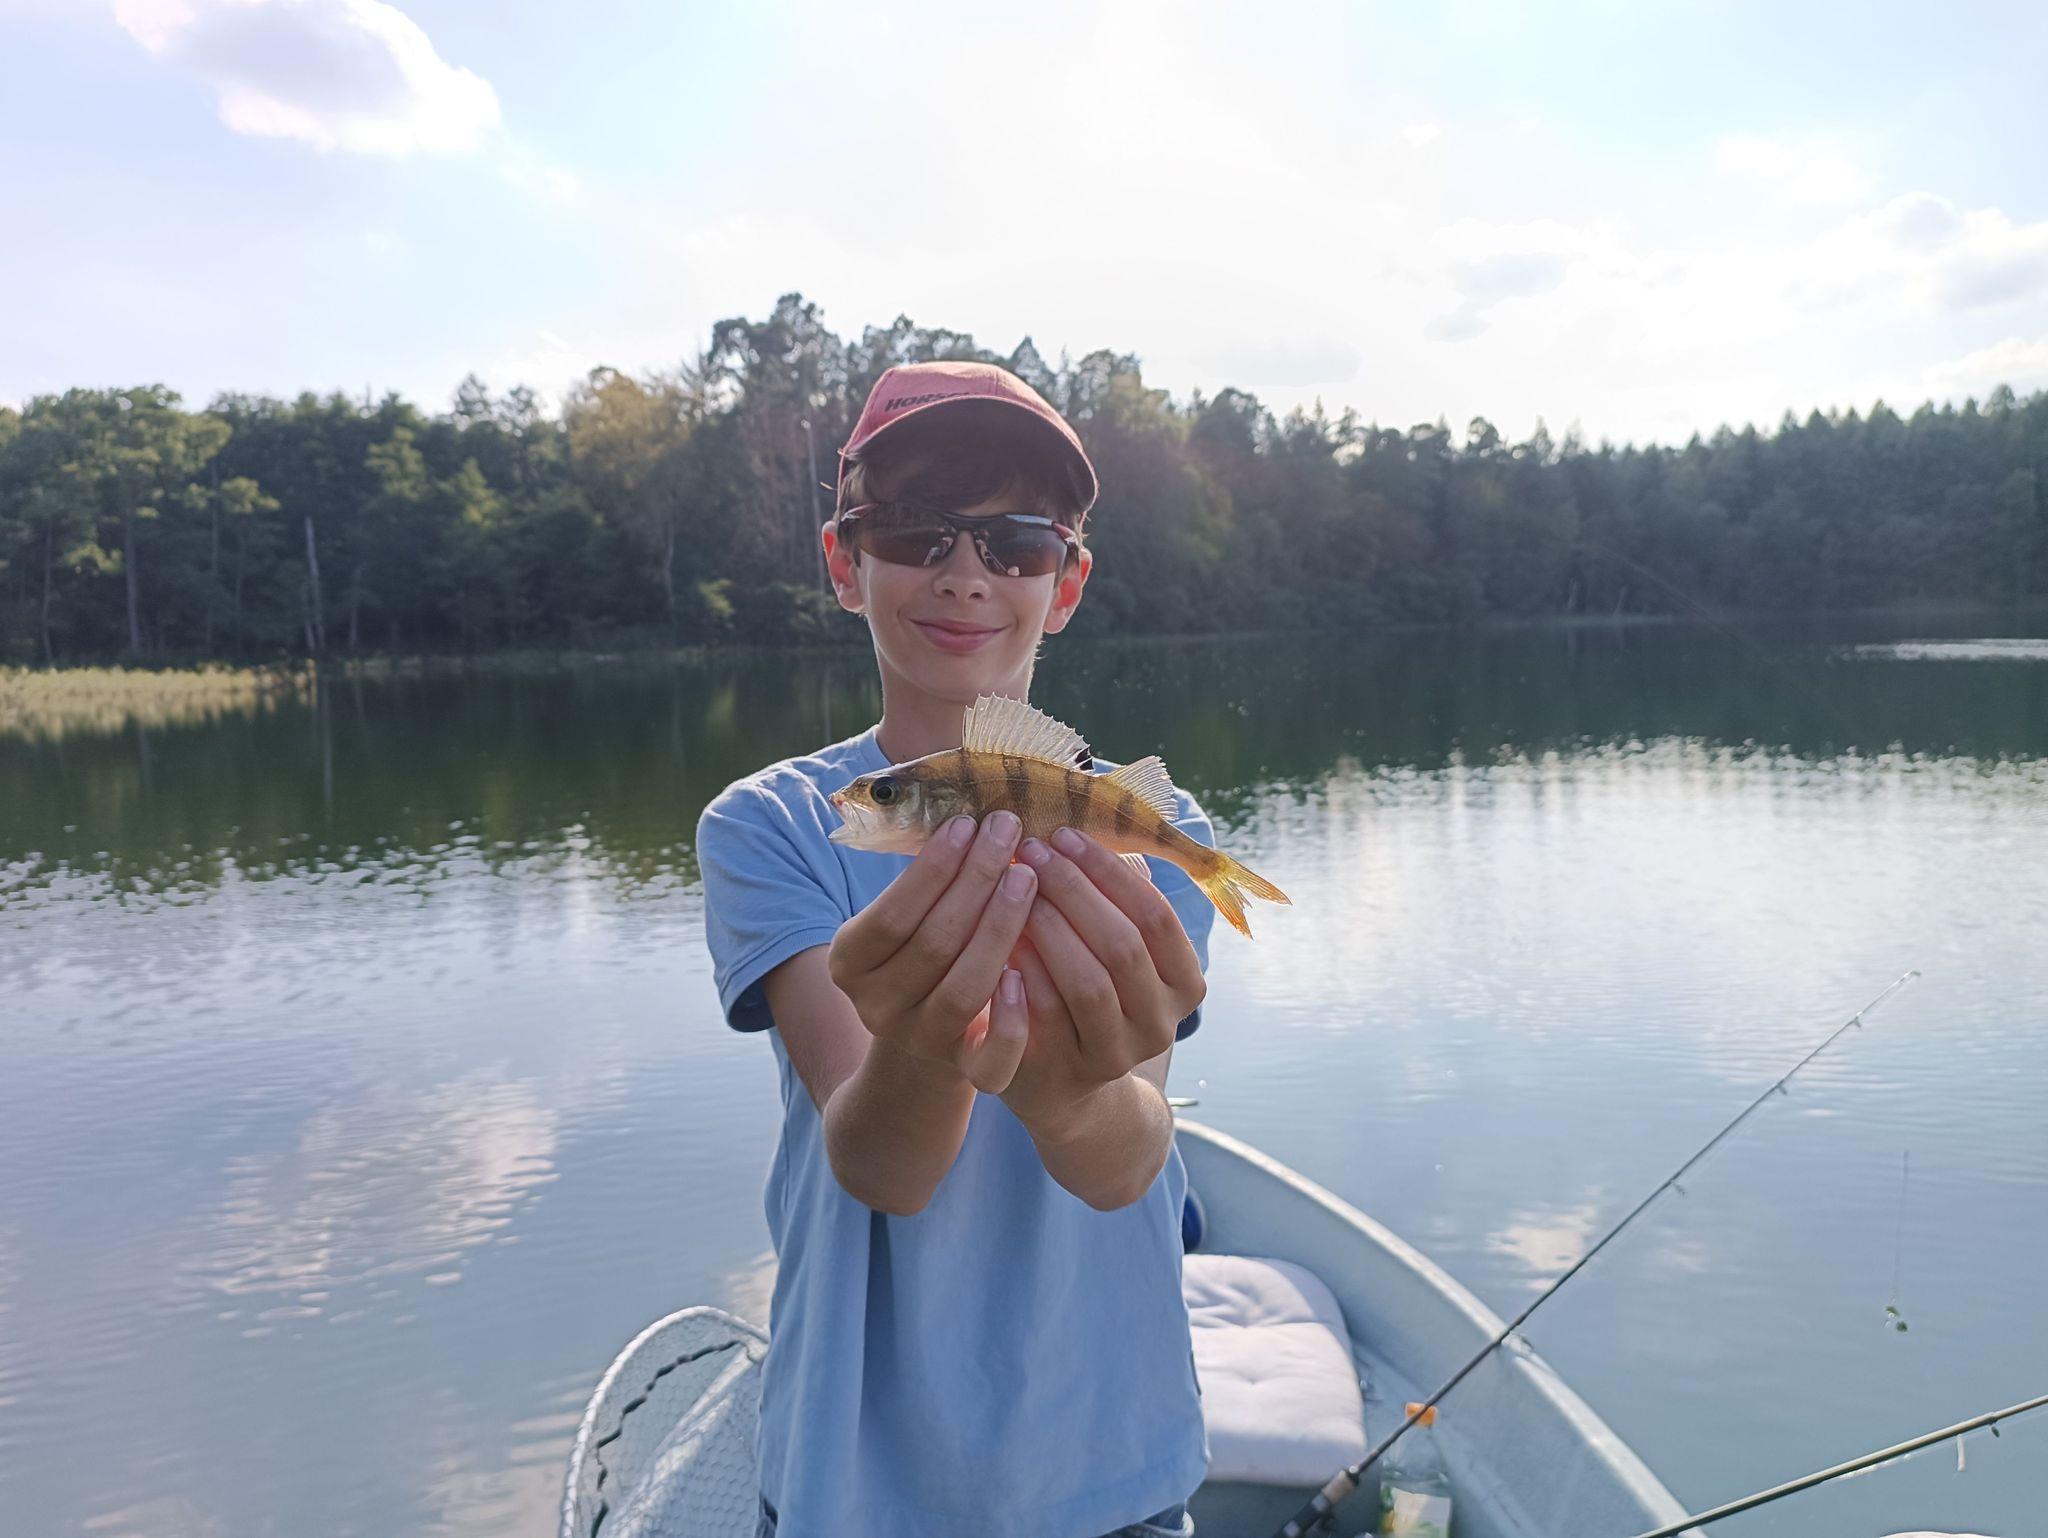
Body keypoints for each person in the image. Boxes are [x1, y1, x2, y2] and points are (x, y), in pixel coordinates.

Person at [697, 360, 1219, 1538]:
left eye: (1016, 542)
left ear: (1065, 581)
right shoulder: (774, 826)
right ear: (844, 562)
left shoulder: (1151, 830)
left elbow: (1121, 1164)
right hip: (856, 1480)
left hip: (1111, 1460)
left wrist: (1064, 1088)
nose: (965, 573)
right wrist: (930, 1040)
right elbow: (882, 1166)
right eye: (912, 530)